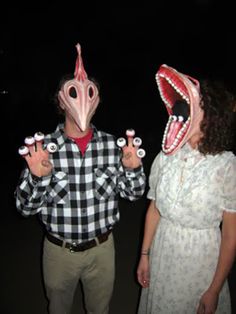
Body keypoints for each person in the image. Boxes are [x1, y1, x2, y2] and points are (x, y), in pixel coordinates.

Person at [15, 43, 146, 314]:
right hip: (59, 253)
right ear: (61, 100)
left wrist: (133, 168)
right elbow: (24, 209)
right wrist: (37, 178)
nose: (83, 100)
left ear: (97, 100)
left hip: (102, 250)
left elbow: (134, 194)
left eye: (91, 93)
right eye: (73, 92)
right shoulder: (43, 149)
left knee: (100, 310)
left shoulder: (113, 146)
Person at [137, 64, 236, 314]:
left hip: (200, 265)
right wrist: (145, 255)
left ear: (211, 115)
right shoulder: (166, 156)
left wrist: (214, 288)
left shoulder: (227, 165)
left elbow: (230, 236)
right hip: (163, 253)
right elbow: (154, 209)